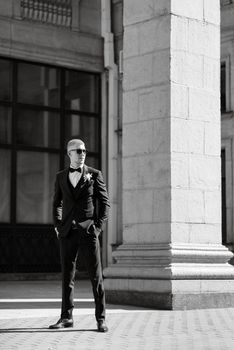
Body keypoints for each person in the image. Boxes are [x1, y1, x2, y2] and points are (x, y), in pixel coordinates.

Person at [49, 139, 110, 332]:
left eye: (84, 150)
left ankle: (101, 319)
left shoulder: (94, 174)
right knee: (67, 277)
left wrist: (98, 227)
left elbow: (105, 203)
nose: (82, 153)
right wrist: (58, 225)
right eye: (78, 151)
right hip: (67, 233)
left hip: (88, 232)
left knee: (96, 277)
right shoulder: (60, 177)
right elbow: (57, 203)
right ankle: (66, 317)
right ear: (69, 154)